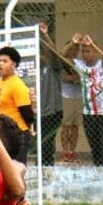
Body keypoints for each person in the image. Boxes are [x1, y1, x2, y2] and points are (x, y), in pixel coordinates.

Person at [65, 34, 103, 166]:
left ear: (94, 52)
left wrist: (92, 44)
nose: (84, 54)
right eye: (83, 52)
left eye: (87, 51)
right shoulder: (81, 65)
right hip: (89, 113)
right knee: (95, 148)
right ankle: (98, 171)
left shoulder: (102, 65)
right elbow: (64, 55)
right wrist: (73, 42)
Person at [0, 46, 35, 162]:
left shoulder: (17, 85)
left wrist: (28, 129)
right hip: (2, 133)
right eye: (0, 60)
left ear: (14, 65)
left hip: (17, 134)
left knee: (16, 170)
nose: (0, 64)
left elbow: (27, 113)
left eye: (5, 61)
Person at [37, 23, 64, 166]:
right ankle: (39, 166)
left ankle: (47, 167)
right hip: (35, 112)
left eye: (42, 52)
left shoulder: (52, 67)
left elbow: (55, 54)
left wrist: (45, 35)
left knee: (47, 143)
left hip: (52, 111)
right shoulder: (31, 70)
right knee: (38, 144)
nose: (40, 56)